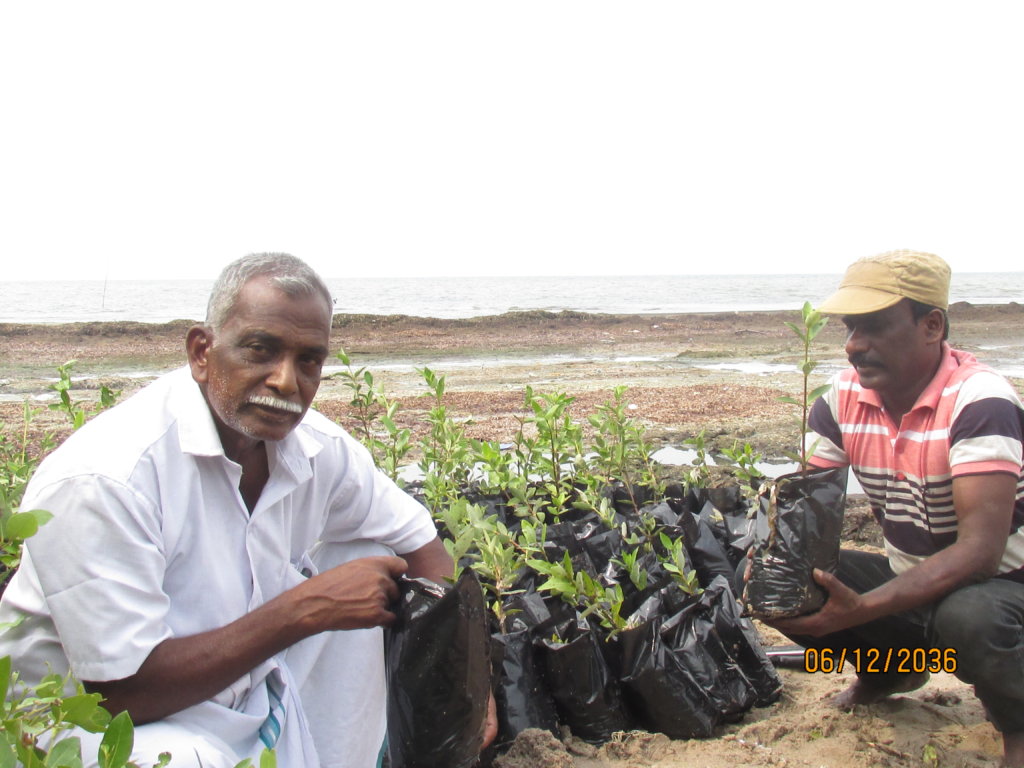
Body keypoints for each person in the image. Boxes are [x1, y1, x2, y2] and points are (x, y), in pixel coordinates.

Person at [0, 253, 495, 767]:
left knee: (372, 550)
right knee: (191, 759)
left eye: (309, 360)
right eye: (261, 350)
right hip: (82, 724)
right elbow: (121, 697)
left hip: (238, 683)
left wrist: (469, 689)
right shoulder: (107, 478)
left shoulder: (317, 449)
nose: (286, 381)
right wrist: (302, 610)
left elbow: (422, 546)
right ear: (201, 352)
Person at [767, 250, 1024, 767]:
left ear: (932, 325)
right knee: (779, 576)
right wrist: (776, 560)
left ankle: (1017, 728)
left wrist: (864, 608)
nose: (854, 345)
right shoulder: (841, 400)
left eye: (874, 327)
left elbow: (980, 553)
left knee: (969, 617)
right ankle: (892, 669)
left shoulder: (980, 402)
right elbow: (807, 512)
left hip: (1006, 590)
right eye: (849, 328)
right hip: (913, 581)